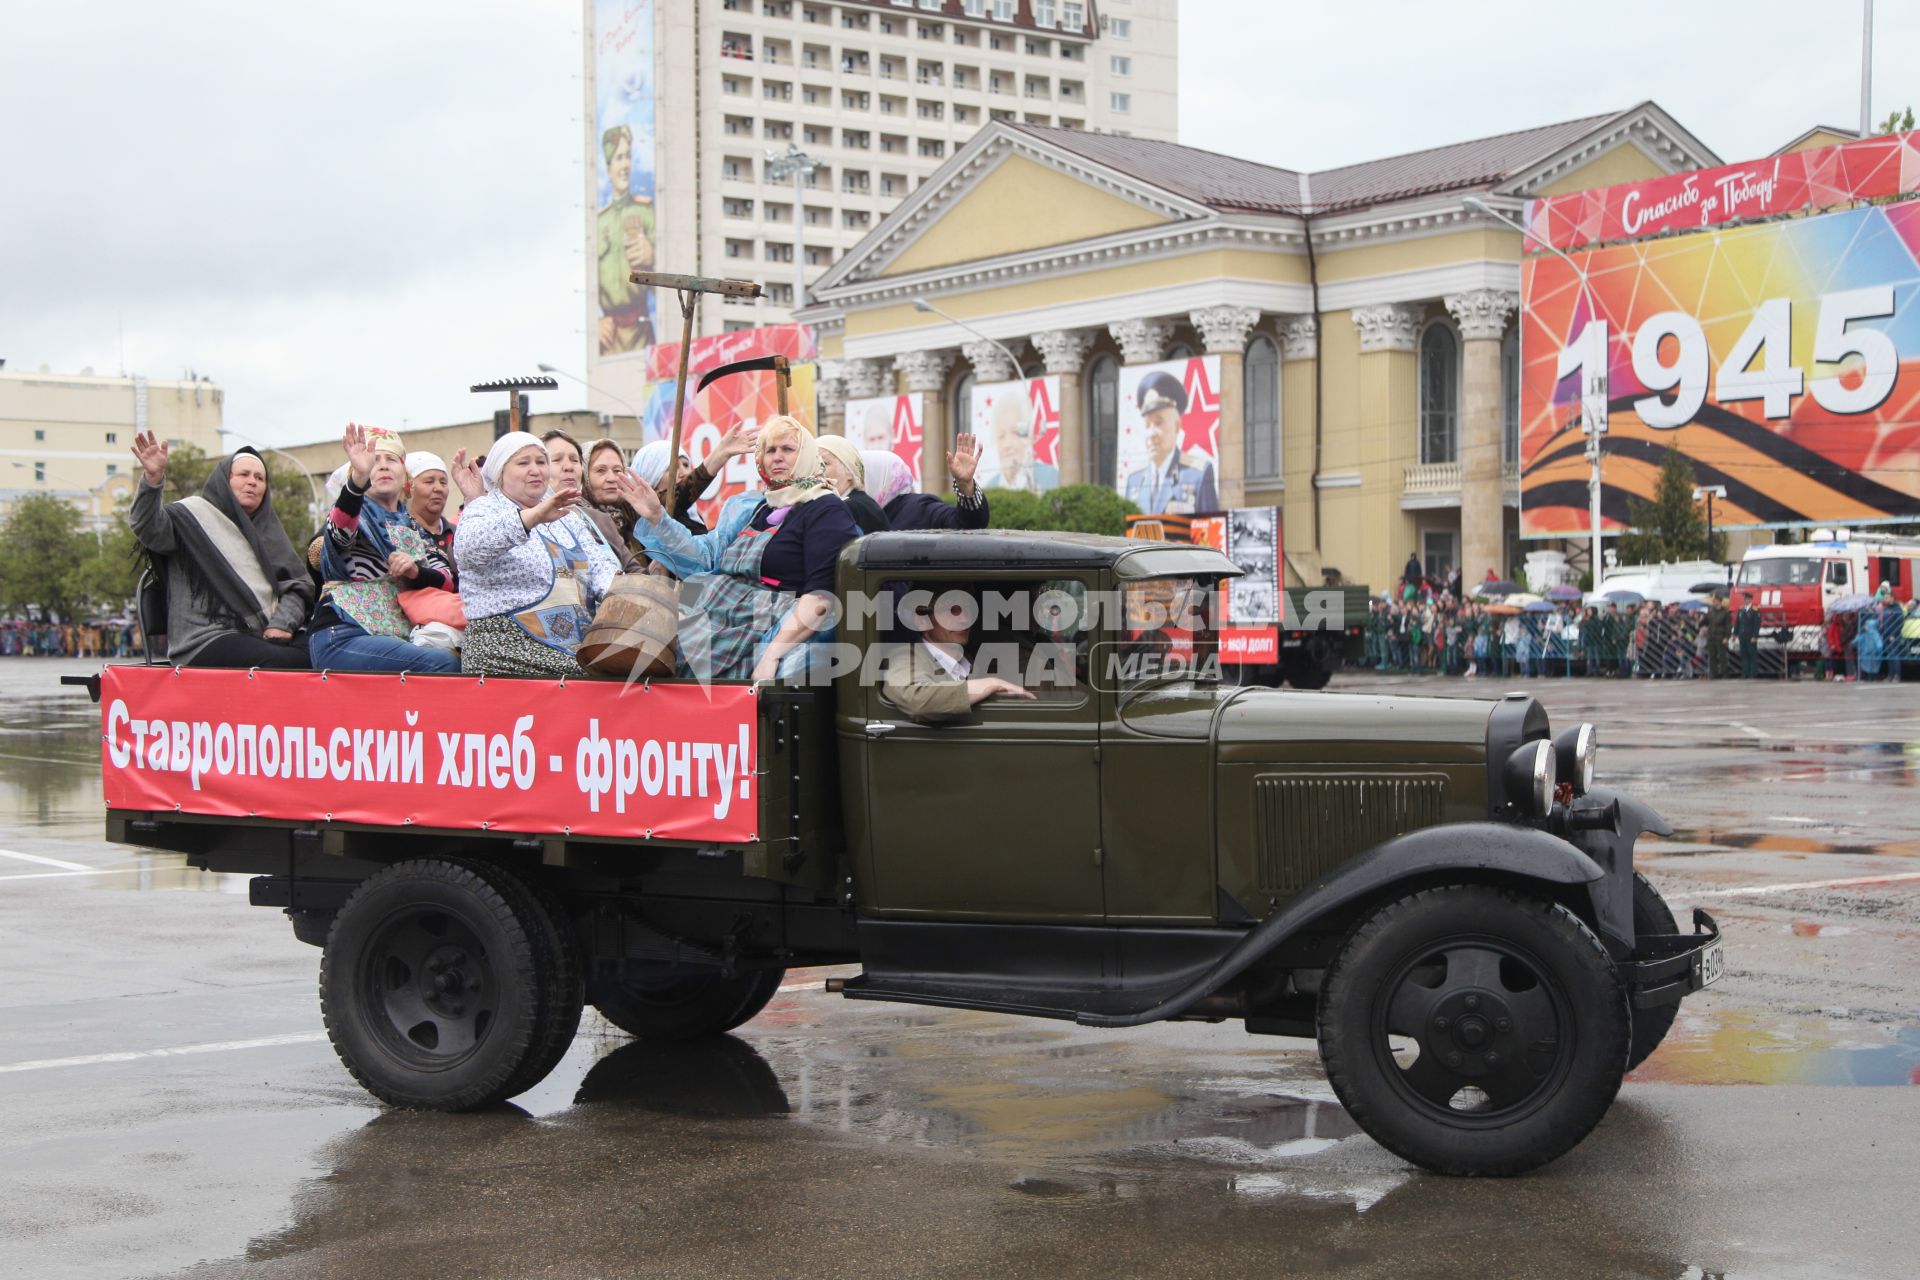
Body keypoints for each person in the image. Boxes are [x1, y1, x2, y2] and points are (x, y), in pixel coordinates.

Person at [624, 416, 860, 682]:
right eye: (770, 450)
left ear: (806, 454)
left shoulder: (825, 509)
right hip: (723, 619)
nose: (777, 457)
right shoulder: (755, 507)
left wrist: (772, 655)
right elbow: (704, 557)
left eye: (788, 449)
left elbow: (820, 598)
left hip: (771, 626)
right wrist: (658, 518)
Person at [127, 433, 315, 669]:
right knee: (280, 662)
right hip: (204, 638)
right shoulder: (192, 519)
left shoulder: (270, 532)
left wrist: (281, 624)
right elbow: (147, 527)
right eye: (243, 475)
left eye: (260, 477)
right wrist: (153, 480)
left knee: (320, 652)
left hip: (262, 633)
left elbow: (297, 588)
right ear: (225, 481)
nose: (252, 482)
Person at [454, 431, 626, 678]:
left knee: (629, 668)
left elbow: (599, 564)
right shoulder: (485, 508)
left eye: (541, 462)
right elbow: (469, 549)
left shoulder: (564, 517)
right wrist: (531, 517)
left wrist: (626, 590)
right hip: (505, 644)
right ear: (501, 471)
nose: (535, 470)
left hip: (569, 644)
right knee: (600, 677)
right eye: (523, 463)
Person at [310, 425, 460, 674]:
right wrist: (357, 481)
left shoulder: (411, 524)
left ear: (406, 475)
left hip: (393, 635)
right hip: (344, 635)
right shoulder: (353, 512)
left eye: (392, 459)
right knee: (442, 664)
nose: (382, 465)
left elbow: (446, 581)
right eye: (373, 460)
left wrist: (415, 572)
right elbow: (339, 533)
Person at [882, 587, 1035, 724]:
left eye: (967, 608)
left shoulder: (968, 659)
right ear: (922, 621)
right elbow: (917, 700)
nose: (965, 619)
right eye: (952, 610)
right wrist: (991, 683)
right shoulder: (905, 657)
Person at [595, 123, 656, 354]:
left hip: (642, 332)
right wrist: (596, 325)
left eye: (628, 157)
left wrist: (652, 256)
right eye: (619, 158)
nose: (625, 165)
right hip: (608, 340)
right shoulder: (598, 222)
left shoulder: (647, 212)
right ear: (608, 166)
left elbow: (677, 287)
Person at [1122, 371, 1217, 515]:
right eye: (1148, 425)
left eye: (1159, 423)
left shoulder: (1198, 474)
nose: (1151, 434)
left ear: (1177, 426)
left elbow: (1211, 531)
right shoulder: (1134, 482)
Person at [866, 434, 989, 530]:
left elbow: (969, 525)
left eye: (862, 478)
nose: (856, 486)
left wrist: (965, 485)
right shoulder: (860, 516)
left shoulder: (919, 509)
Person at [983, 390, 1058, 493]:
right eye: (1001, 436)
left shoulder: (1049, 477)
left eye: (1015, 432)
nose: (1007, 445)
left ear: (1028, 436)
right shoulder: (989, 488)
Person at [816, 434, 890, 534]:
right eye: (813, 463)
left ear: (849, 472)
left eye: (825, 463)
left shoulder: (850, 507)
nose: (817, 471)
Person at [404, 451, 456, 556]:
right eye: (429, 481)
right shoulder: (402, 534)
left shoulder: (458, 533)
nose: (439, 488)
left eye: (443, 482)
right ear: (409, 487)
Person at [1735, 599, 1761, 679]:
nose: (1745, 601)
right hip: (1742, 636)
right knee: (1744, 655)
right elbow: (1738, 623)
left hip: (1751, 636)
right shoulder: (1741, 610)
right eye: (1744, 599)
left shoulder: (1755, 610)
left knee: (1752, 655)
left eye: (1747, 599)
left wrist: (1755, 636)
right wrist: (1735, 633)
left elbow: (1757, 625)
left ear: (1750, 600)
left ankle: (1753, 673)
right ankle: (1745, 672)